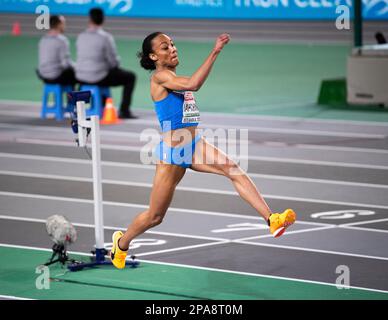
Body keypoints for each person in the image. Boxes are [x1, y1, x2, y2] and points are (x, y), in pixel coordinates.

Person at [109, 32, 296, 269]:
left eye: (173, 44)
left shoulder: (173, 76)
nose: (173, 49)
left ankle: (272, 219)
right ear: (154, 56)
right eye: (165, 47)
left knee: (234, 169)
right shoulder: (160, 78)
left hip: (195, 144)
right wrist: (215, 51)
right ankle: (121, 243)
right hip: (172, 154)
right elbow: (193, 84)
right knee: (155, 217)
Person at [75, 7, 137, 119]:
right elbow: (113, 62)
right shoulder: (105, 37)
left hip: (81, 76)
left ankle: (77, 109)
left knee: (99, 74)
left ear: (89, 20)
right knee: (130, 77)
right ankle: (124, 110)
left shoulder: (80, 36)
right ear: (102, 20)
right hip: (99, 76)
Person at [37, 15, 76, 86]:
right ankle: (73, 96)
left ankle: (58, 97)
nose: (65, 26)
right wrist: (77, 67)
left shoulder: (42, 40)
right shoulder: (62, 40)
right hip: (56, 75)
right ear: (59, 24)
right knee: (80, 76)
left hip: (43, 75)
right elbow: (66, 64)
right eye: (64, 23)